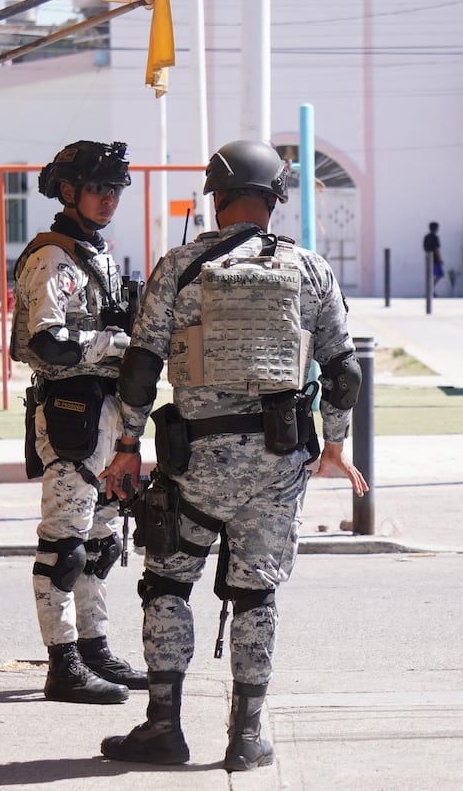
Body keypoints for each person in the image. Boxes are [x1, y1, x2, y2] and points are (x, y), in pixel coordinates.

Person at [98, 140, 368, 772]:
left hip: (195, 462)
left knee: (167, 582)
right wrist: (335, 443)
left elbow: (140, 369)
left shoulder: (179, 266)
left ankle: (163, 727)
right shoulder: (310, 269)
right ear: (275, 200)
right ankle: (246, 737)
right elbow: (344, 371)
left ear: (214, 198)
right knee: (256, 596)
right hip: (279, 464)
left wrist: (128, 446)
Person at [10, 140, 148, 705]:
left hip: (108, 413)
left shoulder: (98, 255)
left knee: (101, 541)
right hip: (69, 411)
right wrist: (118, 343)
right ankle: (62, 662)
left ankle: (93, 647)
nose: (110, 199)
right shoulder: (52, 258)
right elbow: (46, 343)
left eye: (116, 191)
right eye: (99, 189)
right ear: (69, 192)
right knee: (64, 544)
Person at [423, 221, 444, 291]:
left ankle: (430, 289)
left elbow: (424, 247)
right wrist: (440, 259)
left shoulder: (426, 237)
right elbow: (436, 249)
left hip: (428, 258)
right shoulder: (435, 237)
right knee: (439, 274)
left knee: (430, 275)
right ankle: (431, 288)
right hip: (435, 260)